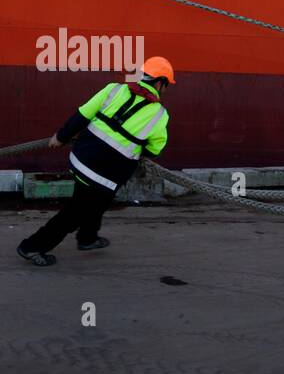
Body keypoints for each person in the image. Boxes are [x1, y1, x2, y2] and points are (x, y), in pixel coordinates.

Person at [17, 57, 175, 266]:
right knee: (75, 212)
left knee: (98, 200)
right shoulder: (159, 115)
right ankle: (32, 247)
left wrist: (61, 137)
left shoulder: (114, 89)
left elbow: (82, 115)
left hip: (80, 158)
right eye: (165, 86)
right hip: (106, 174)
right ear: (159, 83)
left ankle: (87, 238)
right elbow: (155, 149)